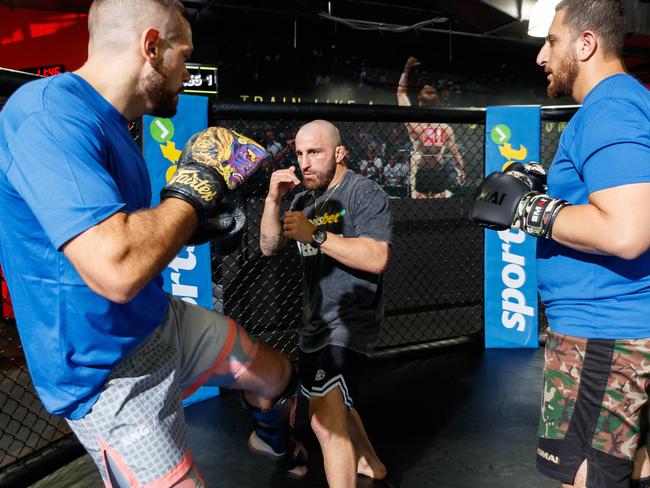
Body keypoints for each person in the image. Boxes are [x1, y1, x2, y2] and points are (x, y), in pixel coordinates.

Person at [0, 1, 306, 486]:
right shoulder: (46, 116)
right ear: (151, 47)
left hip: (157, 318)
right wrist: (195, 191)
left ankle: (275, 442)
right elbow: (117, 268)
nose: (188, 73)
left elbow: (135, 231)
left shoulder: (115, 125)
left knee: (276, 376)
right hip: (105, 374)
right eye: (183, 56)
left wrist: (196, 217)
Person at [469, 1, 650, 487]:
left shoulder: (609, 110)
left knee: (585, 477)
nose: (541, 56)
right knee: (629, 468)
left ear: (586, 43)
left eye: (551, 41)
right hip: (613, 329)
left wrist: (531, 210)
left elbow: (628, 231)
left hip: (602, 335)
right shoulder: (625, 104)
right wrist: (552, 189)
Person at [260, 120, 391, 487]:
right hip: (314, 323)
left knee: (323, 419)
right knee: (332, 402)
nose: (305, 162)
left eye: (314, 152)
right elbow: (269, 247)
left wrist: (315, 234)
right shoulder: (302, 199)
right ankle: (370, 463)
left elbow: (377, 257)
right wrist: (273, 201)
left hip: (351, 322)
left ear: (339, 153)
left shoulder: (364, 193)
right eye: (300, 153)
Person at [397, 56, 466, 198]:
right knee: (437, 208)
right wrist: (461, 171)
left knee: (419, 209)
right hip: (434, 168)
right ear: (437, 103)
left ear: (419, 100)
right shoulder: (444, 127)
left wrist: (406, 70)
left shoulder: (414, 123)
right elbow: (455, 153)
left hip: (423, 167)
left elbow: (401, 93)